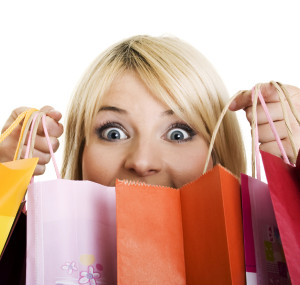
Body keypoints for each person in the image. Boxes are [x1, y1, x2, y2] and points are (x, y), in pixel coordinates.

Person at [1, 35, 299, 185]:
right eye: (113, 132)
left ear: (218, 155)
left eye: (179, 133)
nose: (142, 163)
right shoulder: (31, 255)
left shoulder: (268, 253)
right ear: (80, 150)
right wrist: (3, 183)